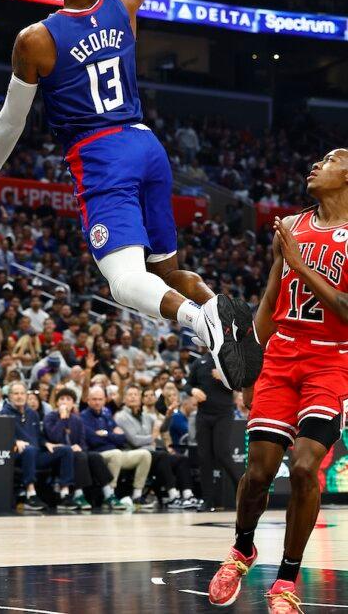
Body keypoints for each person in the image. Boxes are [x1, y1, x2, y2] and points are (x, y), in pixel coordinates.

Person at [0, 0, 260, 394]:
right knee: (165, 271)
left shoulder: (37, 40)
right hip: (147, 146)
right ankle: (225, 316)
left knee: (123, 282)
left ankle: (204, 321)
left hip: (101, 157)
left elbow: (11, 119)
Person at [209, 149, 348, 612]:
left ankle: (286, 581)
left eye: (330, 160)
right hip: (282, 356)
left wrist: (301, 264)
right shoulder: (290, 225)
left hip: (331, 361)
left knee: (306, 467)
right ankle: (242, 549)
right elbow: (271, 297)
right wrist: (250, 364)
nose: (315, 165)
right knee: (259, 472)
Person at [115, 385, 198, 509]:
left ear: (140, 399)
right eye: (130, 395)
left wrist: (168, 415)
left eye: (136, 394)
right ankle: (172, 496)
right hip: (135, 454)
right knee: (162, 455)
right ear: (124, 399)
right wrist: (152, 437)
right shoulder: (121, 417)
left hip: (153, 454)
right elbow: (134, 440)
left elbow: (163, 429)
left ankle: (187, 495)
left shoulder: (145, 416)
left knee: (181, 459)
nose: (133, 397)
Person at [1, 380, 75, 512]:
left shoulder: (33, 414)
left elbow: (39, 436)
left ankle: (65, 494)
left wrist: (47, 443)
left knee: (66, 450)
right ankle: (31, 495)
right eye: (16, 393)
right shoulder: (4, 414)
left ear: (26, 395)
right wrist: (14, 441)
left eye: (22, 393)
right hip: (17, 455)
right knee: (28, 450)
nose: (19, 396)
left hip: (37, 454)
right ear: (10, 396)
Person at [80, 385, 151, 510]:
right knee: (116, 454)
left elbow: (122, 438)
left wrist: (106, 434)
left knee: (145, 454)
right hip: (98, 455)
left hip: (116, 451)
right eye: (94, 399)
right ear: (88, 400)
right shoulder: (84, 417)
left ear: (105, 400)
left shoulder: (107, 415)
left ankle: (137, 495)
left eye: (100, 399)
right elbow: (92, 439)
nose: (97, 402)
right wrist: (112, 434)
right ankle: (110, 494)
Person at [44, 386, 112, 511]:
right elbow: (54, 437)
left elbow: (83, 442)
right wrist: (62, 419)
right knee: (79, 456)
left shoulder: (77, 420)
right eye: (62, 399)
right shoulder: (50, 417)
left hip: (75, 453)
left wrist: (79, 447)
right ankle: (78, 494)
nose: (64, 402)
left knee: (94, 456)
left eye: (68, 399)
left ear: (73, 403)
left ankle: (108, 493)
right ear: (57, 402)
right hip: (58, 454)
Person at [188, 348, 238, 512]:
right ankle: (207, 500)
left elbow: (240, 383)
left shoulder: (229, 359)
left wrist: (224, 377)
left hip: (223, 414)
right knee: (204, 458)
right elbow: (188, 383)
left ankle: (242, 487)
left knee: (222, 453)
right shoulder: (199, 362)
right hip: (203, 415)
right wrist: (192, 390)